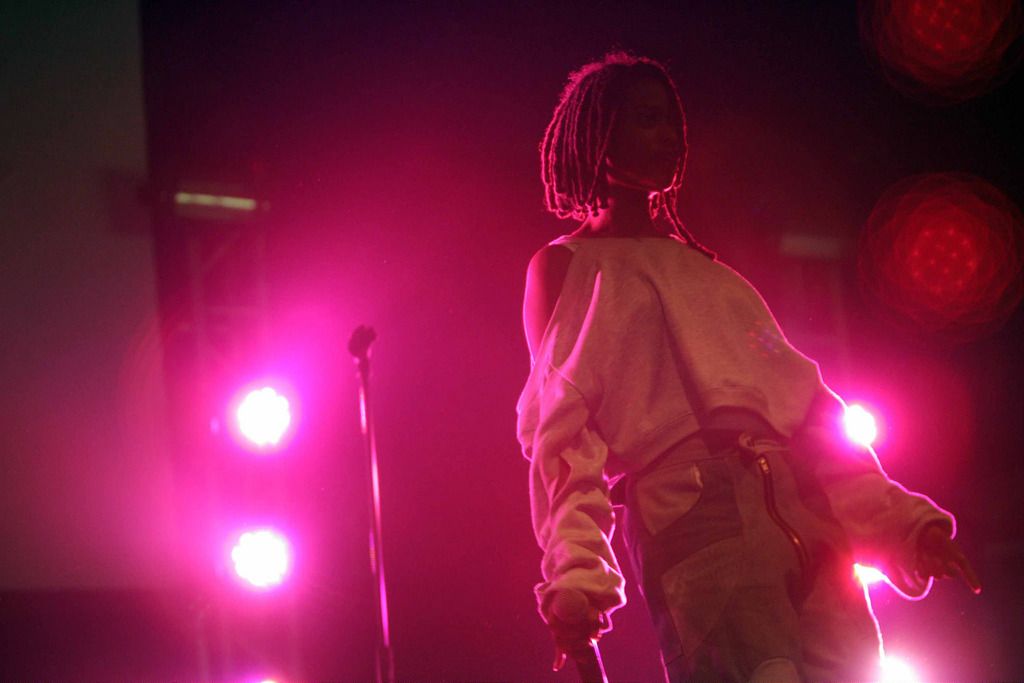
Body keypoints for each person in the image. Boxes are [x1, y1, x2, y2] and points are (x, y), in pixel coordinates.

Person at [515, 51, 981, 683]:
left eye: (673, 121)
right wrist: (575, 574)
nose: (671, 136)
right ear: (600, 135)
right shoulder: (567, 268)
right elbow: (563, 434)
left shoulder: (715, 276)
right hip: (695, 518)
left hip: (805, 510)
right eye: (648, 119)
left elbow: (812, 414)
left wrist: (904, 524)